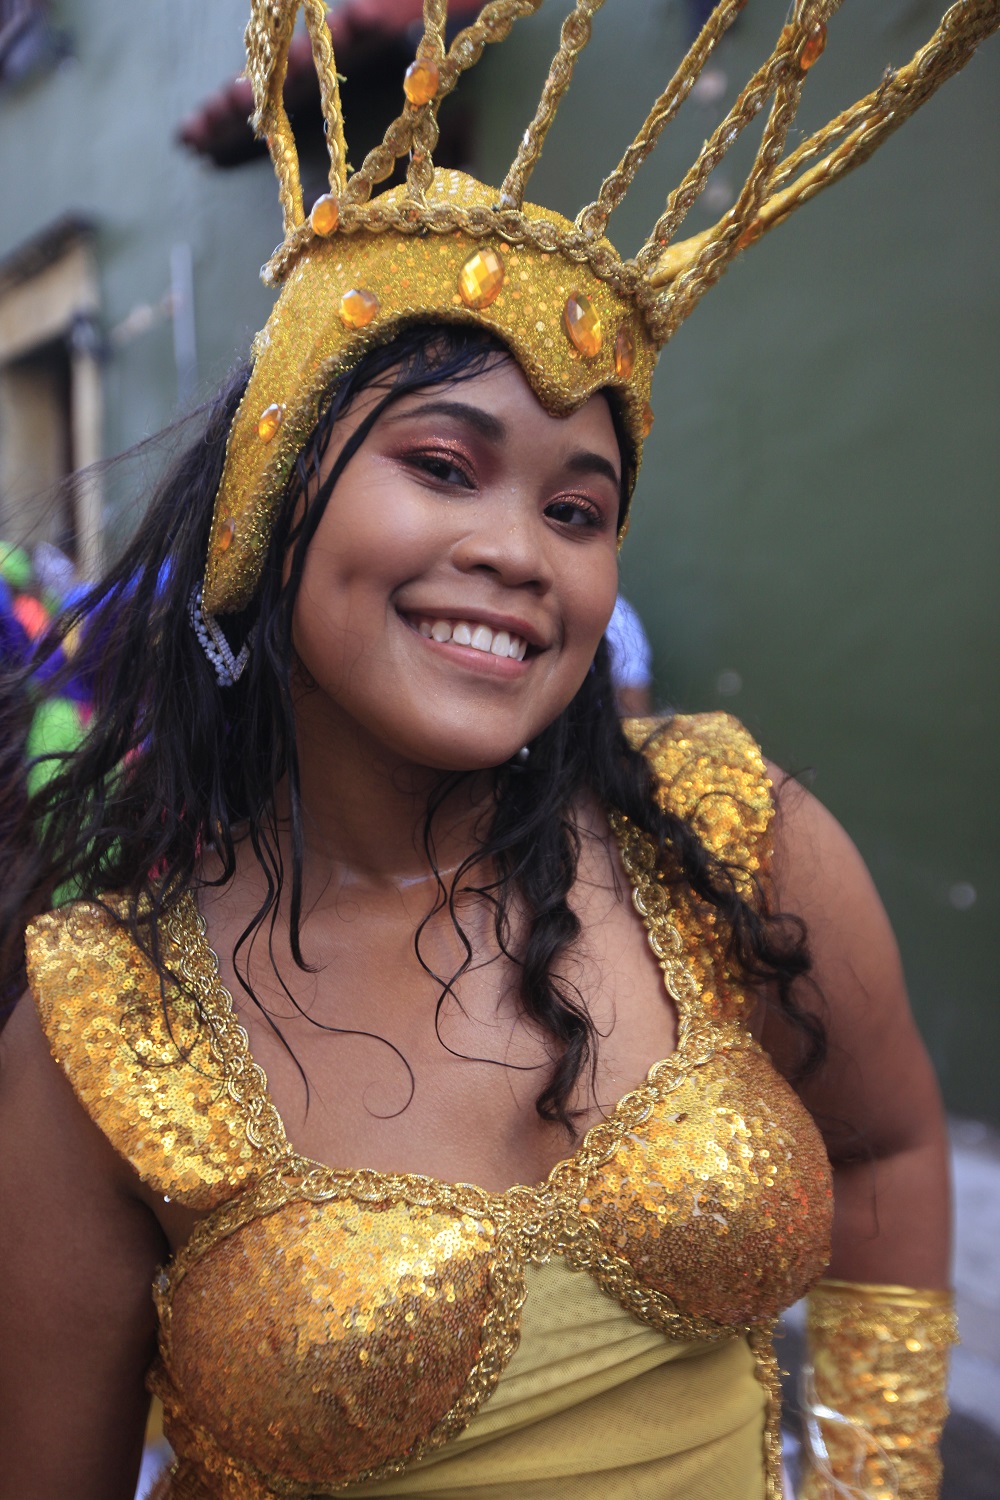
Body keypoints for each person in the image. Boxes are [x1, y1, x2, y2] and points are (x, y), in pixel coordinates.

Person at [2, 2, 995, 1497]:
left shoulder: (723, 831)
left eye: (577, 509)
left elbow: (887, 1148)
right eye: (443, 465)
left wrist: (873, 1476)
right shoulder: (110, 1027)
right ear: (272, 495)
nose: (520, 554)